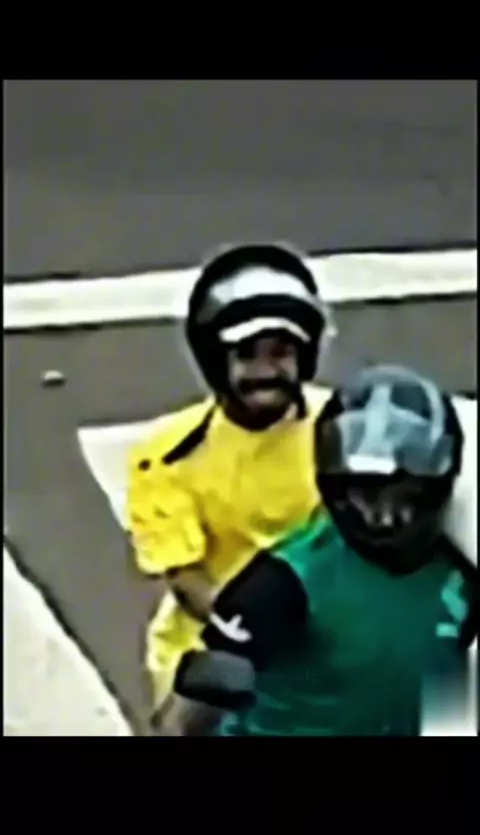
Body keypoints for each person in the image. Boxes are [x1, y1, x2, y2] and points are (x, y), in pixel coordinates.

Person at [178, 364, 477, 736]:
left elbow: (450, 702)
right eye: (367, 499)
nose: (385, 520)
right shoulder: (279, 584)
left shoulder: (460, 575)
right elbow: (184, 720)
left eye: (406, 498)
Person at [126, 242, 337, 735]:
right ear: (214, 359)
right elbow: (187, 579)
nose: (265, 371)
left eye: (281, 352)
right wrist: (251, 630)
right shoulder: (167, 455)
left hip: (329, 636)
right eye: (246, 354)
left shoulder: (344, 430)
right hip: (218, 644)